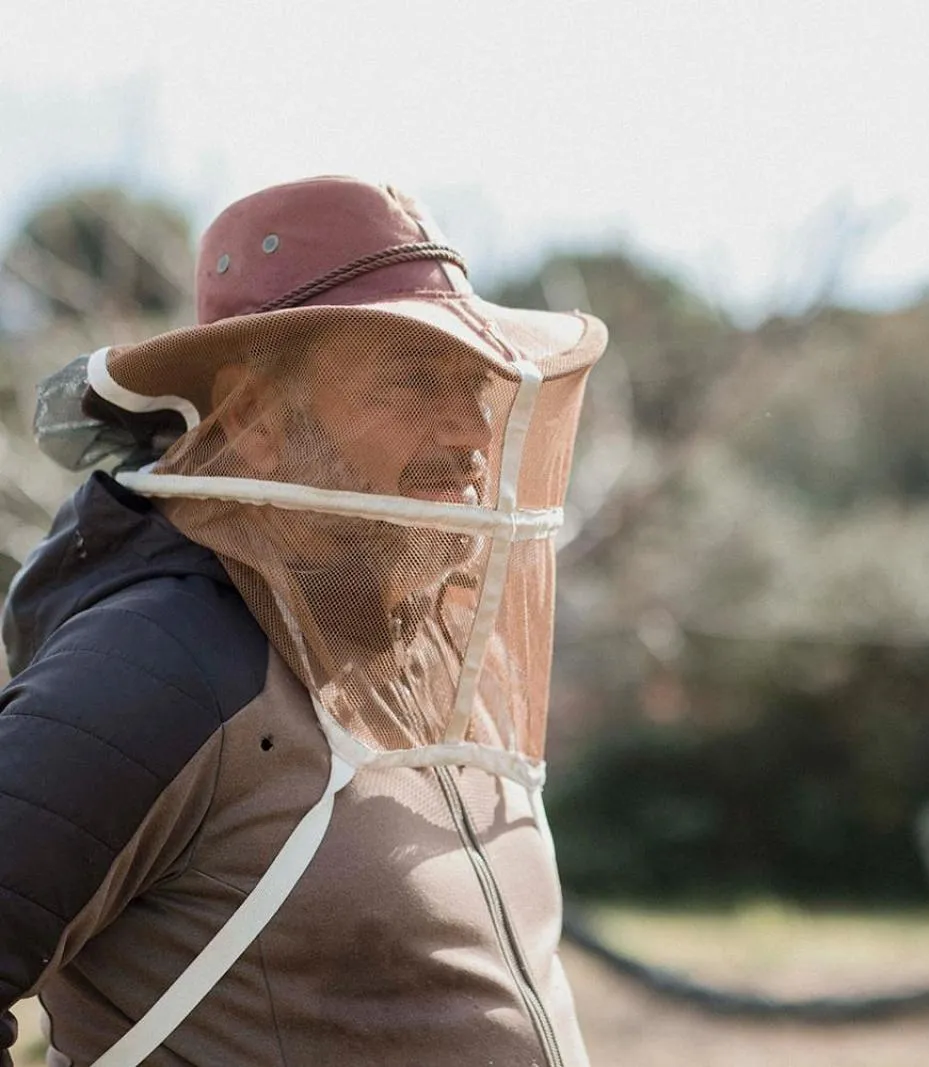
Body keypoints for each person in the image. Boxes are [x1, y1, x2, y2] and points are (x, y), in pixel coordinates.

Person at [0, 176, 607, 1066]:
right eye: (411, 379)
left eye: (475, 385)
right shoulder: (157, 661)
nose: (472, 434)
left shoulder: (428, 647)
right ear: (252, 422)